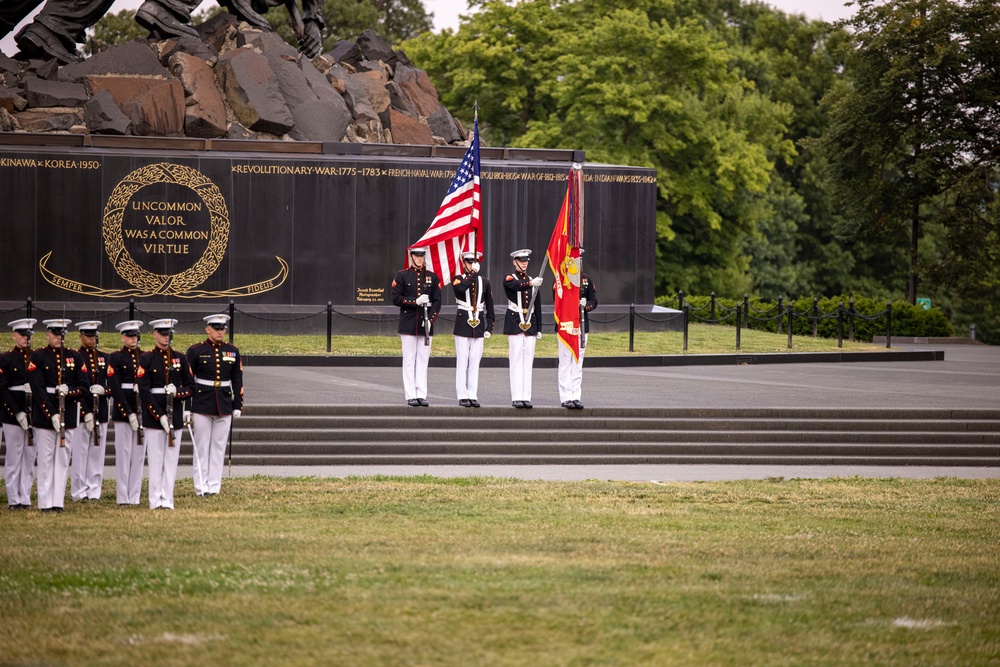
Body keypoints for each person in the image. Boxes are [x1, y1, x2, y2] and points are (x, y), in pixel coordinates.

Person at [28, 318, 87, 513]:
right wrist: (51, 413)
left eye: (61, 334)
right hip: (45, 416)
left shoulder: (75, 357)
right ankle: (45, 502)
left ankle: (57, 501)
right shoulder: (38, 357)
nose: (58, 338)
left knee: (62, 460)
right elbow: (37, 388)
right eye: (54, 334)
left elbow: (83, 386)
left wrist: (69, 391)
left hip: (68, 414)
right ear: (47, 334)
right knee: (46, 459)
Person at [138, 318, 192, 510]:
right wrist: (158, 415)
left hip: (175, 415)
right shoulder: (146, 359)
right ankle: (155, 500)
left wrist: (178, 392)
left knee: (170, 461)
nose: (166, 337)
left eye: (168, 334)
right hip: (154, 418)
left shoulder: (180, 358)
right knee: (155, 460)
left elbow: (190, 386)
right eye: (162, 333)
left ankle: (167, 499)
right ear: (154, 334)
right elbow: (144, 390)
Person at [186, 314, 243, 497]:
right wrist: (187, 406)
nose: (220, 332)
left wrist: (238, 405)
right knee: (202, 448)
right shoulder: (195, 350)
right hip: (202, 403)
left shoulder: (232, 351)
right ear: (207, 329)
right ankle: (201, 487)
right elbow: (188, 380)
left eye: (222, 328)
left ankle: (214, 487)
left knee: (218, 448)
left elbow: (237, 380)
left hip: (224, 404)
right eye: (216, 328)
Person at [391, 247, 441, 407]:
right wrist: (415, 301)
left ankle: (421, 393)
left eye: (422, 256)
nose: (419, 259)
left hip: (425, 325)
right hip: (408, 323)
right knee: (409, 360)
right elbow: (396, 298)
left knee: (423, 360)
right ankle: (411, 394)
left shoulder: (432, 278)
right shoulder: (402, 275)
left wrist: (430, 320)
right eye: (417, 256)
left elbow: (437, 301)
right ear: (411, 257)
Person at [70, 320, 110, 501]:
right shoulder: (75, 357)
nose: (92, 339)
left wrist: (105, 390)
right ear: (80, 336)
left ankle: (94, 490)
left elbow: (111, 384)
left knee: (97, 452)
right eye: (88, 335)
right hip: (81, 409)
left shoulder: (104, 358)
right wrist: (85, 412)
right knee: (80, 453)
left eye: (94, 336)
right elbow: (75, 386)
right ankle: (79, 491)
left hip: (100, 408)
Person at [107, 320, 145, 506]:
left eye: (135, 336)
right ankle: (123, 496)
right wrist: (127, 412)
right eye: (129, 336)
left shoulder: (145, 357)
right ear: (122, 337)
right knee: (123, 455)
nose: (133, 339)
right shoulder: (116, 358)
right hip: (124, 410)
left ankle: (135, 495)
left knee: (138, 455)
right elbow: (115, 388)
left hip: (142, 409)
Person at [0, 318, 37, 510]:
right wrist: (16, 412)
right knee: (14, 457)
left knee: (30, 457)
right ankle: (14, 498)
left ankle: (26, 496)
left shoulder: (36, 358)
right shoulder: (6, 359)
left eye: (29, 335)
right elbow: (2, 389)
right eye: (23, 335)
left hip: (33, 413)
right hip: (12, 415)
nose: (26, 338)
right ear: (14, 335)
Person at [452, 251, 495, 408]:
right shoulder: (458, 279)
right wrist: (472, 273)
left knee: (475, 361)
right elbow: (460, 290)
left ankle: (472, 394)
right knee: (462, 360)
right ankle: (462, 394)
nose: (471, 265)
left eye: (474, 262)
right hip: (463, 322)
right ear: (464, 263)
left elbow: (490, 306)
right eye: (469, 262)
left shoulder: (485, 281)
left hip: (478, 324)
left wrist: (489, 326)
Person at [503, 249, 543, 408]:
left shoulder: (533, 280)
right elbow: (515, 286)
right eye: (521, 260)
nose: (524, 262)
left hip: (530, 323)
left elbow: (537, 306)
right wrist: (531, 284)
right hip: (515, 321)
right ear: (515, 261)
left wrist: (539, 327)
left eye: (526, 260)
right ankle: (516, 396)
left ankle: (526, 396)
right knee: (516, 360)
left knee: (528, 362)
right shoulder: (509, 278)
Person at [557, 268, 598, 409]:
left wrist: (585, 305)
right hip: (566, 325)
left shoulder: (586, 279)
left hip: (581, 325)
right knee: (565, 361)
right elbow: (557, 300)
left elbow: (594, 301)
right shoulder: (561, 279)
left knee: (578, 361)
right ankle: (565, 397)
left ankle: (575, 396)